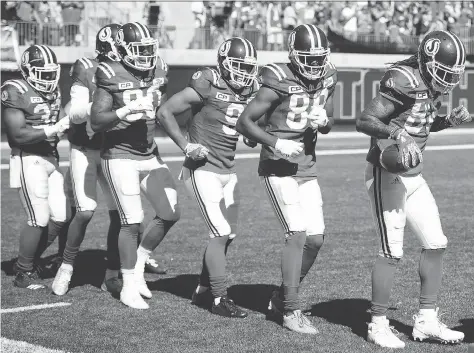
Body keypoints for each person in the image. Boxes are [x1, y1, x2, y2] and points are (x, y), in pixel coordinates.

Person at [355, 30, 469, 348]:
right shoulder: (402, 79)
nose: (447, 80)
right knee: (392, 250)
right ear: (427, 62)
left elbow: (420, 122)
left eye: (452, 75)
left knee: (436, 242)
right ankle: (377, 324)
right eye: (443, 72)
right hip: (385, 170)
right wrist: (398, 134)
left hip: (413, 175)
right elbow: (365, 120)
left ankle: (427, 321)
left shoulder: (430, 86)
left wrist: (447, 122)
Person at [236, 24, 337, 333]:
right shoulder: (276, 79)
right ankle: (291, 311)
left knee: (316, 239)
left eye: (320, 58)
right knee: (296, 233)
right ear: (294, 55)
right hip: (278, 166)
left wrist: (325, 122)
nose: (316, 64)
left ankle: (281, 296)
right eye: (310, 57)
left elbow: (328, 122)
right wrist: (275, 142)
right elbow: (244, 123)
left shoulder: (328, 76)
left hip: (307, 166)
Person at [157, 37, 259, 318]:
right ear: (224, 64)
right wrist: (185, 145)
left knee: (229, 235)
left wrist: (250, 136)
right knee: (220, 232)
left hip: (229, 170)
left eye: (249, 67)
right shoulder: (207, 82)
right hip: (202, 169)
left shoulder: (250, 88)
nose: (245, 73)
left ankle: (203, 289)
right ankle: (219, 298)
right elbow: (164, 112)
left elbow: (245, 126)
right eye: (239, 66)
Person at [90, 22, 180, 309]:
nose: (145, 55)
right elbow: (96, 121)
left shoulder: (159, 69)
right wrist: (125, 110)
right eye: (138, 50)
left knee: (170, 212)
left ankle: (139, 264)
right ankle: (127, 284)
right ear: (122, 49)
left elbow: (161, 104)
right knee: (131, 221)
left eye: (148, 49)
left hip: (149, 153)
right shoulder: (110, 72)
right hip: (119, 155)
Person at [52, 23, 123, 297]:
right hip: (85, 148)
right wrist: (109, 107)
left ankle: (113, 273)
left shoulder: (130, 71)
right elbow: (78, 112)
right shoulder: (87, 67)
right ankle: (66, 267)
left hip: (114, 150)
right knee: (84, 211)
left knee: (122, 214)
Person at [1, 45, 71, 289]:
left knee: (61, 216)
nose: (49, 79)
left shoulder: (53, 92)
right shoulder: (15, 90)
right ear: (28, 71)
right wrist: (51, 130)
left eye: (52, 73)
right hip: (28, 159)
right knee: (38, 218)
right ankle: (24, 271)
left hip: (51, 158)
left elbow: (62, 119)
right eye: (44, 74)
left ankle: (26, 261)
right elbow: (16, 136)